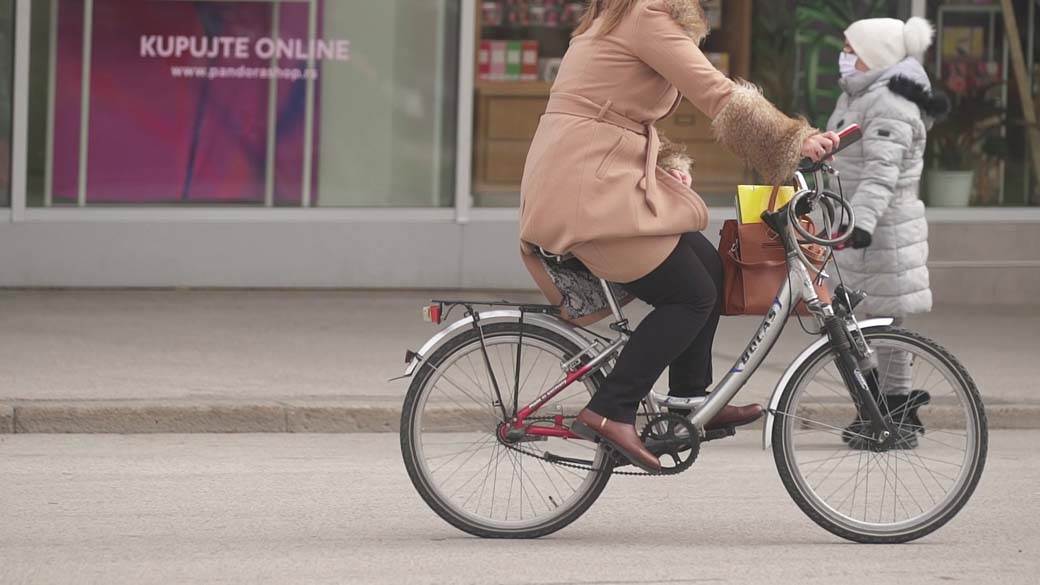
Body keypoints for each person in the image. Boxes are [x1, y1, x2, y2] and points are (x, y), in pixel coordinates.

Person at [518, 0, 839, 472]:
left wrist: (664, 165)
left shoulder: (618, 17)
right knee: (689, 295)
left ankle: (690, 400)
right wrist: (793, 140)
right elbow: (714, 90)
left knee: (706, 265)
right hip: (586, 189)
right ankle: (610, 409)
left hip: (591, 177)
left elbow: (615, 110)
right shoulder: (643, 16)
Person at [827, 17, 949, 449]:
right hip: (860, 229)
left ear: (873, 53)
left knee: (886, 329)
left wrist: (859, 223)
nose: (844, 54)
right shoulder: (861, 94)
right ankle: (880, 408)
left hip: (882, 231)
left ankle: (895, 414)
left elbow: (881, 172)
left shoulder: (890, 102)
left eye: (850, 47)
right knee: (866, 326)